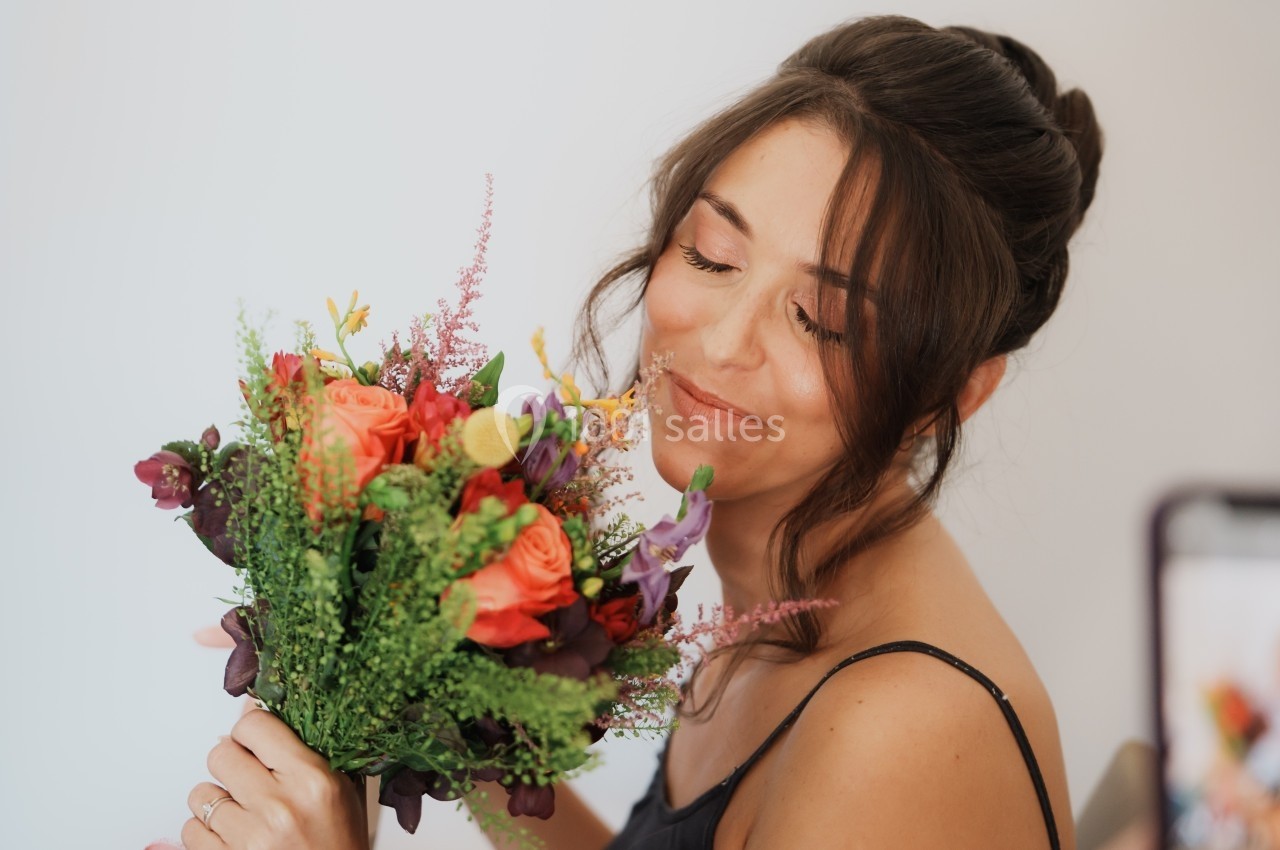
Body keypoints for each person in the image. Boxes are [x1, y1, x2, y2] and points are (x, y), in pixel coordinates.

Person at [161, 13, 1105, 850]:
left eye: (821, 321)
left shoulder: (899, 730)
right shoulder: (777, 592)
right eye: (713, 255)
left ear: (955, 394)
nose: (723, 343)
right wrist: (439, 691)